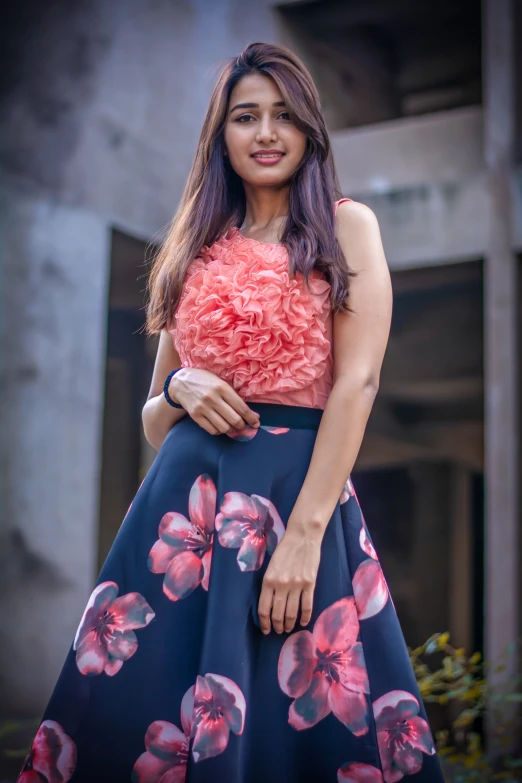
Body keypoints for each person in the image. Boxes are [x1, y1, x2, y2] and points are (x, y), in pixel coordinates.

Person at [17, 42, 445, 783]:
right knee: (145, 726)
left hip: (295, 507)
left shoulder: (349, 228)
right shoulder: (194, 244)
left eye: (284, 115)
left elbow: (359, 383)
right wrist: (180, 388)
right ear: (222, 136)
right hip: (182, 525)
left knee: (302, 728)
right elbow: (154, 421)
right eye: (246, 117)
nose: (267, 132)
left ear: (310, 128)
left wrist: (307, 537)